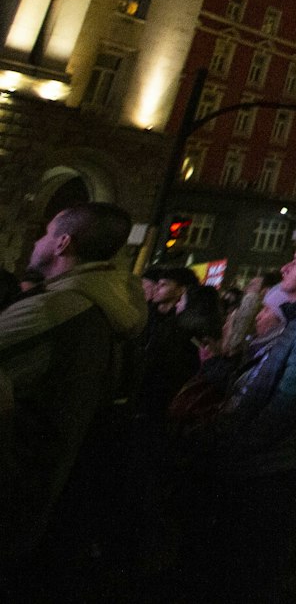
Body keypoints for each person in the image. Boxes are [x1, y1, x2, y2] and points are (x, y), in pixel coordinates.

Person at [185, 236, 296, 602]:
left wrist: (230, 444)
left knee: (250, 574)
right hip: (265, 465)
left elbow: (288, 406)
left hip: (274, 472)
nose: (286, 267)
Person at [0, 202, 143, 571]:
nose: (36, 241)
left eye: (46, 234)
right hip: (38, 486)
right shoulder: (102, 304)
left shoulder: (56, 309)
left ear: (63, 243)